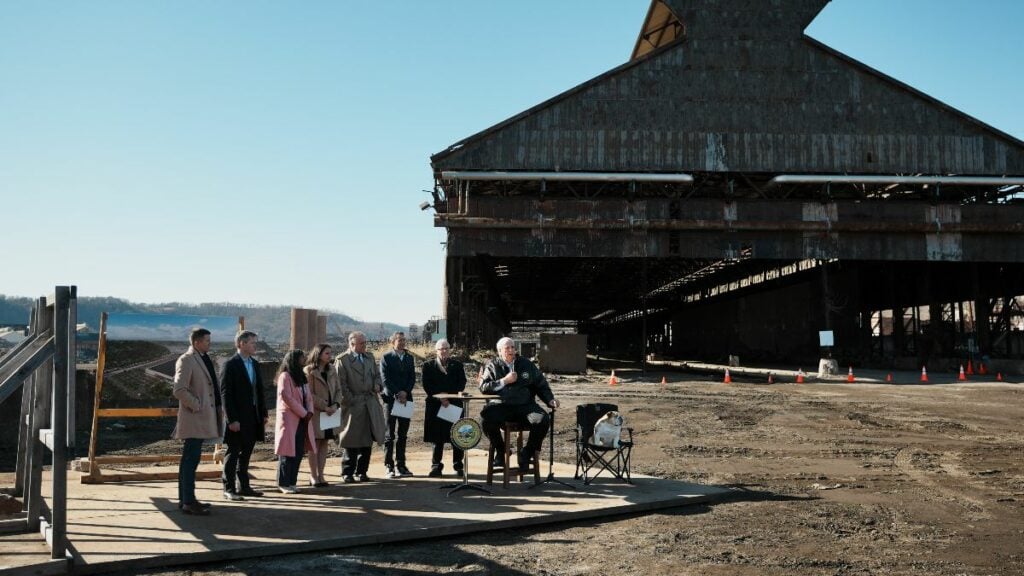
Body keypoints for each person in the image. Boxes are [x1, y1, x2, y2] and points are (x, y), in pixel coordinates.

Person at [479, 336, 560, 471]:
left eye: (512, 347)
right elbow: (483, 387)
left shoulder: (526, 364)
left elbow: (541, 384)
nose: (511, 350)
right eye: (507, 348)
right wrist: (504, 381)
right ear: (499, 351)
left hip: (525, 406)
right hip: (502, 406)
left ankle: (526, 453)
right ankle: (501, 450)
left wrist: (550, 399)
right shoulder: (492, 365)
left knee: (543, 419)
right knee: (485, 419)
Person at [171, 328, 223, 516]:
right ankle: (187, 501)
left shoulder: (202, 358)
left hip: (202, 418)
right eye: (207, 340)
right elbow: (179, 389)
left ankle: (187, 499)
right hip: (195, 418)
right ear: (197, 342)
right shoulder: (186, 360)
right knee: (190, 460)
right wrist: (197, 405)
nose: (210, 343)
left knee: (191, 460)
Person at [220, 330, 268, 501]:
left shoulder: (254, 364)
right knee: (233, 453)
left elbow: (259, 390)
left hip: (253, 416)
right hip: (238, 418)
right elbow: (226, 394)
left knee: (247, 452)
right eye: (252, 343)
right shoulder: (230, 365)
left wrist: (263, 413)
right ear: (241, 343)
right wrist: (231, 419)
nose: (256, 345)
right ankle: (229, 488)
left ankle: (244, 487)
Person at [335, 331, 387, 483]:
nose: (365, 345)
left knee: (367, 439)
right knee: (351, 439)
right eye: (362, 343)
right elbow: (341, 385)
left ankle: (362, 471)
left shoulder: (369, 357)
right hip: (353, 405)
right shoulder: (342, 360)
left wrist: (377, 385)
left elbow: (377, 375)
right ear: (352, 344)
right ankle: (347, 472)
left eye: (365, 342)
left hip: (370, 403)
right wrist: (351, 400)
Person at [421, 338, 466, 477]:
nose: (444, 351)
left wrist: (449, 396)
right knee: (437, 437)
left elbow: (461, 383)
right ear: (436, 350)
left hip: (453, 404)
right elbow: (427, 385)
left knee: (457, 436)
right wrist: (441, 397)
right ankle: (436, 467)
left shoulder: (457, 365)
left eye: (446, 348)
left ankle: (458, 466)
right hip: (436, 405)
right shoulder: (428, 366)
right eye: (441, 349)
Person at [274, 349, 316, 494]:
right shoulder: (285, 376)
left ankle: (292, 482)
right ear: (294, 359)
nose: (304, 359)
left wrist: (310, 411)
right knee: (287, 453)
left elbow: (308, 397)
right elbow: (287, 398)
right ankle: (283, 483)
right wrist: (304, 413)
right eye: (302, 357)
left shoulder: (302, 376)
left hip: (303, 420)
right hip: (290, 420)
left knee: (298, 452)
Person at [379, 331, 416, 478]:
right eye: (399, 340)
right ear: (392, 341)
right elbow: (385, 379)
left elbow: (412, 377)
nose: (402, 342)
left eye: (403, 339)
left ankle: (401, 465)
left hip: (406, 399)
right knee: (390, 435)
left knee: (403, 435)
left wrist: (405, 392)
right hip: (391, 400)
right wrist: (397, 393)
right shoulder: (386, 358)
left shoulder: (409, 358)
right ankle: (389, 466)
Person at [304, 343, 341, 487]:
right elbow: (308, 394)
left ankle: (322, 475)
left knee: (324, 443)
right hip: (316, 413)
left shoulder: (332, 369)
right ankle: (313, 476)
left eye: (330, 353)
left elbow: (338, 389)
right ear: (318, 354)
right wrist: (324, 406)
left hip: (331, 413)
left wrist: (335, 405)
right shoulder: (308, 371)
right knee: (315, 444)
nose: (330, 355)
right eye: (327, 353)